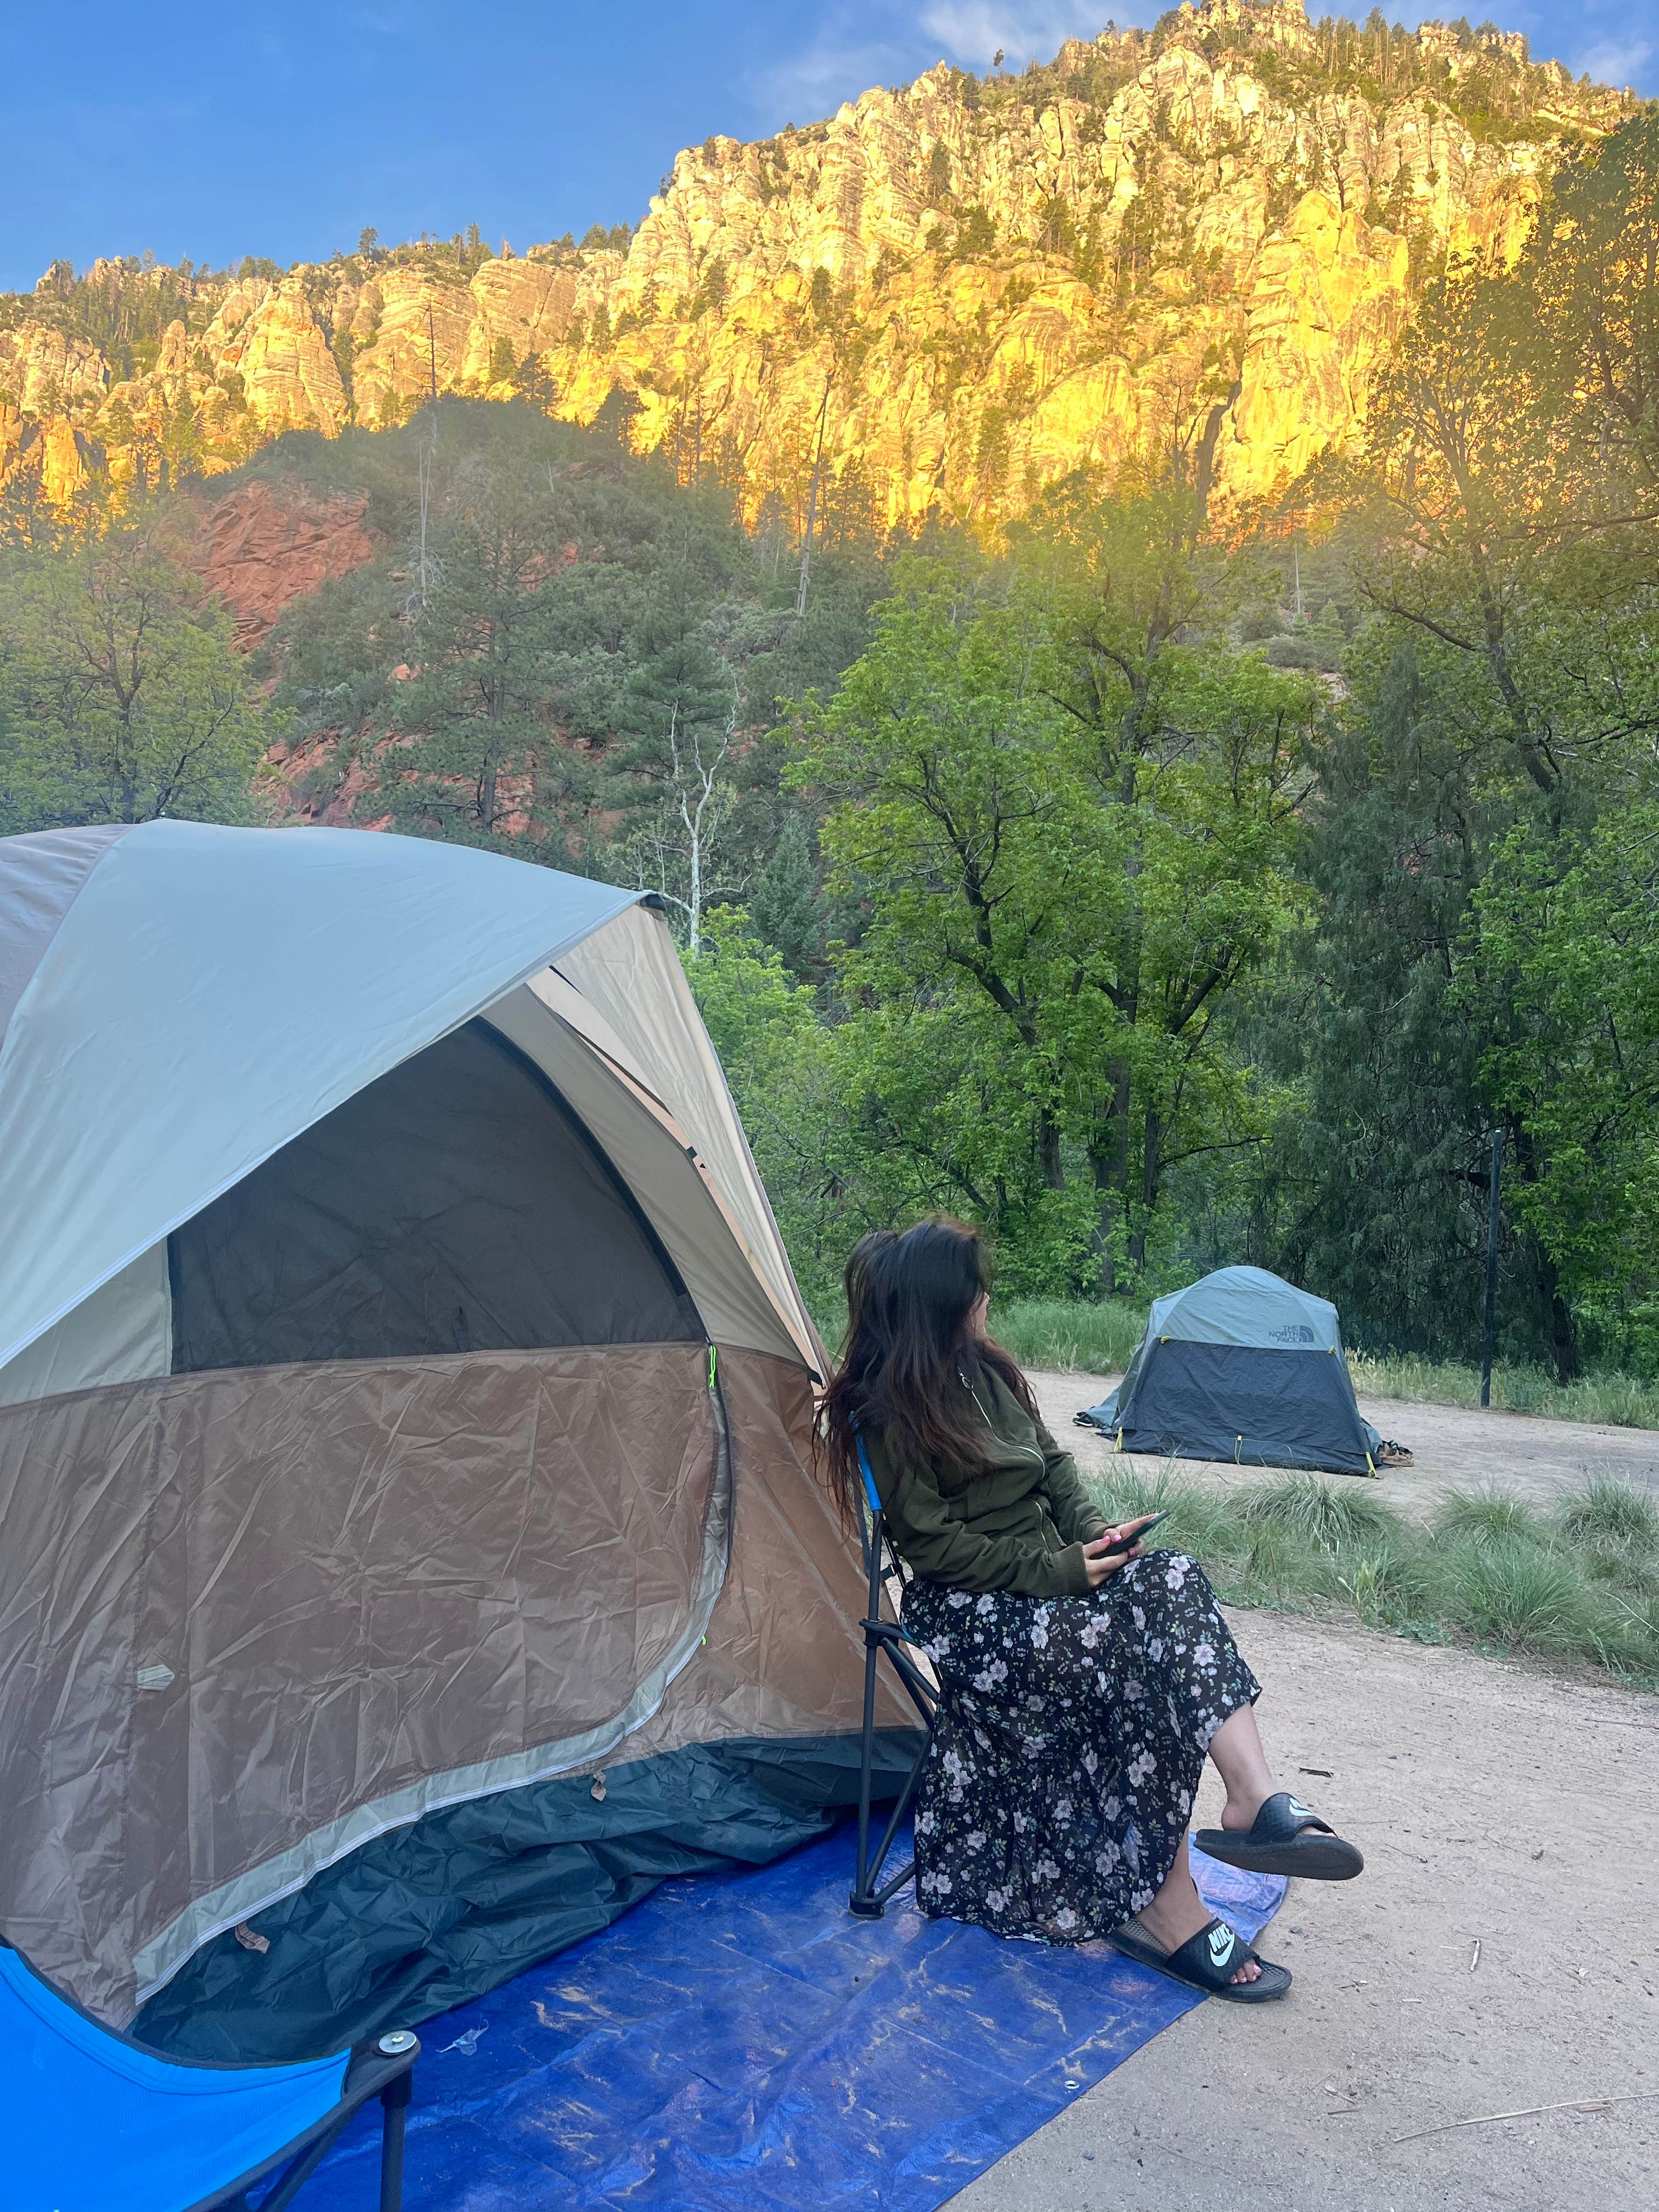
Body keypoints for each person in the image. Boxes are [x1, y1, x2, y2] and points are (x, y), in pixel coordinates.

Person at [820, 1221, 1363, 2004]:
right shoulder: (885, 1412)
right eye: (976, 1284)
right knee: (1136, 1661)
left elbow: (1053, 1466)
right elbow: (933, 1550)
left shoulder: (991, 1374)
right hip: (972, 1612)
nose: (987, 1295)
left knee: (1171, 1577)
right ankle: (1169, 1906)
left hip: (1049, 1582)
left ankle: (1252, 1800)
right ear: (942, 1303)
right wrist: (1060, 1569)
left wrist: (1096, 1536)